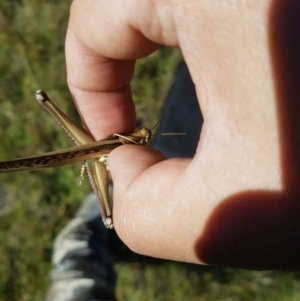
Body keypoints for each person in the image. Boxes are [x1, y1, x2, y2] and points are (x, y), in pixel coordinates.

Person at [47, 3, 300, 300]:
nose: (144, 135)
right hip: (95, 152)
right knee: (108, 189)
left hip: (102, 153)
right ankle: (93, 233)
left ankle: (87, 243)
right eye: (142, 136)